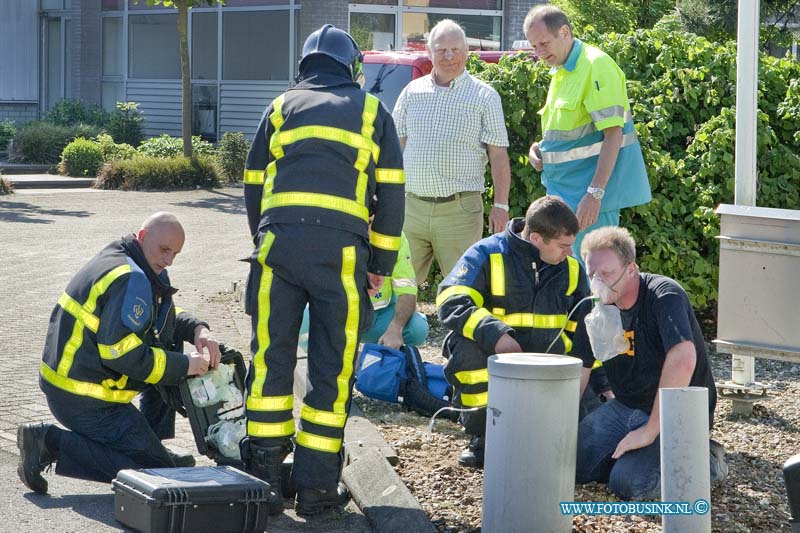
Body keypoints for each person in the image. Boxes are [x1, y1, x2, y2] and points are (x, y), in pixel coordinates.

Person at [241, 25, 405, 516]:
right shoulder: (374, 111)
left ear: (305, 65)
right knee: (331, 369)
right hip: (343, 255)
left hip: (279, 250)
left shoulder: (279, 106)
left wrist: (264, 237)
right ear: (352, 67)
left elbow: (253, 184)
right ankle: (314, 489)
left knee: (271, 358)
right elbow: (392, 194)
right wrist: (380, 264)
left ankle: (264, 483)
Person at [17, 212, 219, 495]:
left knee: (168, 351)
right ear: (144, 236)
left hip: (79, 388)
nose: (169, 260)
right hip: (84, 398)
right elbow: (121, 355)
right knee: (156, 476)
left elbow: (160, 319)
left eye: (175, 254)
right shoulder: (129, 278)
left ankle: (150, 445)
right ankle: (48, 443)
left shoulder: (135, 261)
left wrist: (199, 329)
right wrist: (186, 364)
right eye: (165, 250)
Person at [437, 196, 594, 467]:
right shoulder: (487, 253)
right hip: (495, 358)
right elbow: (451, 299)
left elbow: (585, 329)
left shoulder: (571, 269)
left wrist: (601, 384)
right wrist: (496, 335)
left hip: (547, 369)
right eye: (563, 246)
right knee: (467, 347)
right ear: (536, 238)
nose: (570, 253)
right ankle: (483, 436)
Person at [576, 226, 727, 499]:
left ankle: (707, 461)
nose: (598, 282)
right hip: (625, 406)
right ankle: (642, 455)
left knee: (629, 483)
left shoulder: (663, 295)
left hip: (677, 413)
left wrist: (649, 431)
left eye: (607, 274)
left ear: (631, 269)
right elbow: (581, 368)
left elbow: (683, 359)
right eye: (591, 274)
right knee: (572, 461)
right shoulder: (594, 308)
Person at [524, 6, 651, 259]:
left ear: (564, 32)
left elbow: (613, 134)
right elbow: (568, 135)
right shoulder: (562, 70)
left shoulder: (596, 65)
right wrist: (539, 149)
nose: (539, 52)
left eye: (543, 43)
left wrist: (595, 194)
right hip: (564, 195)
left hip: (588, 200)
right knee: (571, 278)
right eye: (534, 47)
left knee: (595, 273)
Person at [393, 19, 512, 285]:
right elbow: (395, 147)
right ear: (429, 51)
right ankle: (401, 328)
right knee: (399, 284)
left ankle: (459, 329)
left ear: (466, 51)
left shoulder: (485, 97)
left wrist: (501, 206)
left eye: (455, 49)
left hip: (460, 211)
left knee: (462, 288)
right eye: (441, 49)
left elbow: (499, 156)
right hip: (411, 208)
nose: (449, 56)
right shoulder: (412, 92)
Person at [299, 230, 429, 351]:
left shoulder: (394, 236)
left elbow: (407, 290)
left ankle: (382, 353)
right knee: (301, 323)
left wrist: (396, 328)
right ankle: (324, 358)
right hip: (340, 314)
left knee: (417, 330)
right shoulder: (333, 233)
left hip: (379, 314)